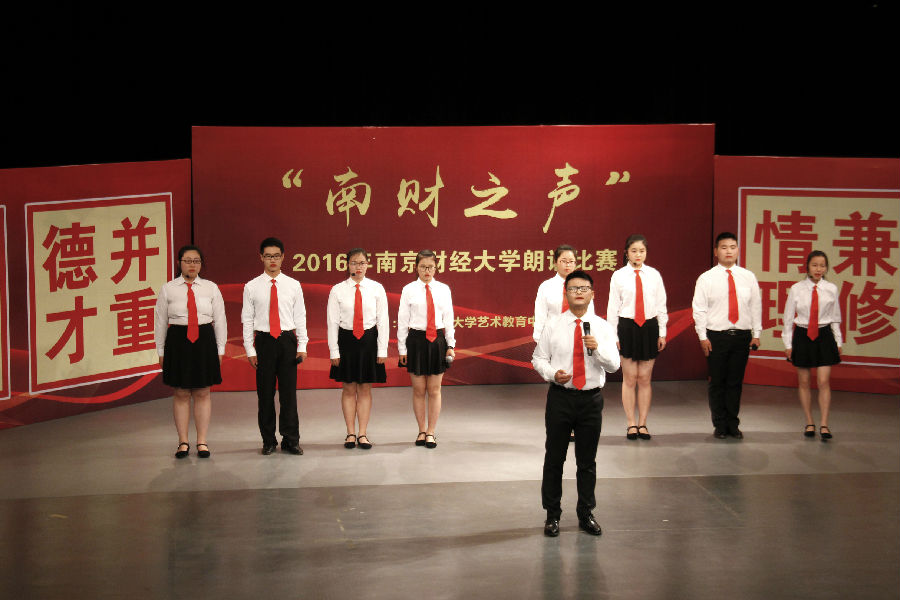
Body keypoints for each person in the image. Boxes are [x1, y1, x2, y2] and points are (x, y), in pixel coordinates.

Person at [533, 270, 620, 537]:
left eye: (583, 288)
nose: (578, 293)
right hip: (561, 397)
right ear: (566, 294)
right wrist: (552, 374)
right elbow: (538, 359)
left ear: (592, 293)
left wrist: (598, 349)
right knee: (554, 458)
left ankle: (586, 513)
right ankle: (552, 515)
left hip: (590, 400)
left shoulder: (603, 327)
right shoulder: (553, 324)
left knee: (587, 461)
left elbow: (614, 366)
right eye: (573, 289)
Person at [154, 245, 227, 459]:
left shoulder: (211, 288)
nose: (192, 265)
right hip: (178, 341)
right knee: (181, 392)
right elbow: (160, 322)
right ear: (179, 263)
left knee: (203, 391)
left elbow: (220, 320)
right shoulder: (168, 289)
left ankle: (202, 441)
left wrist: (220, 348)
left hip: (204, 340)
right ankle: (183, 442)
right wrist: (160, 350)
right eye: (188, 261)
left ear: (201, 264)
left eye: (196, 261)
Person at [241, 237, 308, 456]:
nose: (272, 260)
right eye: (268, 256)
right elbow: (247, 320)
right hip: (264, 341)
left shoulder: (293, 285)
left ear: (283, 257)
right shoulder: (251, 287)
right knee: (265, 395)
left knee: (289, 395)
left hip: (287, 340)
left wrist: (302, 344)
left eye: (276, 256)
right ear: (261, 257)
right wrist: (250, 349)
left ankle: (291, 440)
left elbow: (300, 316)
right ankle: (268, 440)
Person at [691, 232, 762, 440]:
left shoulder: (748, 277)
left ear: (738, 250)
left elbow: (755, 306)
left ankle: (733, 424)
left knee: (735, 382)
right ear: (716, 251)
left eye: (732, 247)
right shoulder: (706, 278)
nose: (728, 251)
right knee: (717, 382)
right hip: (716, 336)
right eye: (724, 247)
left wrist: (756, 333)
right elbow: (699, 309)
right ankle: (720, 424)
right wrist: (702, 336)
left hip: (742, 335)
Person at [607, 234, 667, 440]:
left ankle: (643, 423)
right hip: (627, 327)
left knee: (644, 378)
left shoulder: (654, 275)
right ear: (626, 253)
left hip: (649, 327)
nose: (638, 255)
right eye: (634, 251)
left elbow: (661, 305)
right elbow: (612, 308)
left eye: (642, 251)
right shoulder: (619, 276)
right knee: (630, 377)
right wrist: (613, 335)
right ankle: (631, 423)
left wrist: (662, 332)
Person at [327, 248, 388, 450]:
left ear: (368, 264)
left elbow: (383, 320)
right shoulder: (337, 290)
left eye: (362, 262)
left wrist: (382, 350)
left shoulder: (377, 288)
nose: (358, 266)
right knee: (348, 388)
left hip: (369, 341)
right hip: (346, 341)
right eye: (354, 263)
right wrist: (334, 350)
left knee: (364, 389)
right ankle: (350, 433)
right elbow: (332, 322)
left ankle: (362, 433)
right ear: (347, 265)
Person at [534, 244, 595, 443]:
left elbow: (591, 314)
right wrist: (540, 341)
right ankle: (562, 424)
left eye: (571, 261)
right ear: (555, 263)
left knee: (578, 378)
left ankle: (578, 424)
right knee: (558, 381)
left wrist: (590, 336)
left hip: (578, 336)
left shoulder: (582, 285)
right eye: (563, 261)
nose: (568, 265)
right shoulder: (546, 286)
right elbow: (540, 315)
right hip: (554, 339)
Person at [397, 249, 455, 449]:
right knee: (419, 389)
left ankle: (431, 432)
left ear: (436, 267)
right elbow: (402, 321)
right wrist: (402, 349)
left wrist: (451, 345)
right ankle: (421, 430)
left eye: (430, 267)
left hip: (437, 341)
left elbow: (449, 319)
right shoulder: (408, 290)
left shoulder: (443, 289)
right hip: (416, 341)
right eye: (423, 267)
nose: (427, 271)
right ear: (416, 268)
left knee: (434, 389)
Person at [782, 250, 842, 440]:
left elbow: (835, 317)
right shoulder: (796, 289)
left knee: (823, 381)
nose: (818, 269)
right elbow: (788, 318)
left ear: (826, 268)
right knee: (804, 382)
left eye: (822, 266)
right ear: (807, 267)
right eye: (814, 265)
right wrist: (788, 344)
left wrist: (838, 340)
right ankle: (809, 421)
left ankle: (824, 424)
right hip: (802, 335)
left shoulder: (831, 288)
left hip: (824, 335)